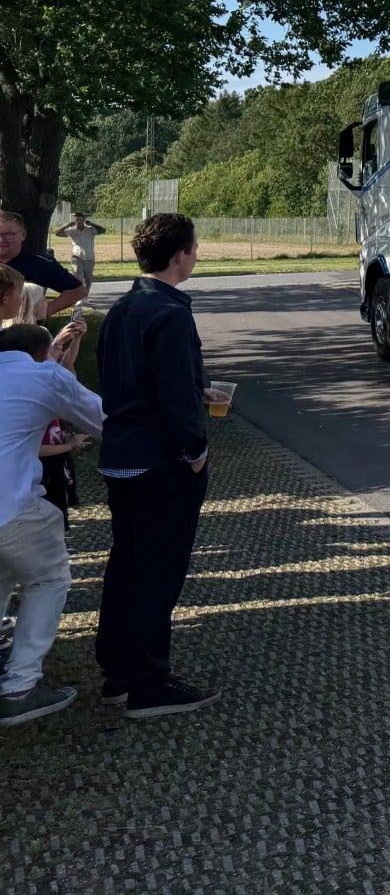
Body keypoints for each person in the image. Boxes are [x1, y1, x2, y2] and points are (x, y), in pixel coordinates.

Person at [94, 213, 222, 717]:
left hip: (122, 455)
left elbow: (128, 378)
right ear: (179, 256)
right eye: (193, 249)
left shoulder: (124, 308)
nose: (195, 256)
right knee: (158, 572)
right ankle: (149, 680)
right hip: (161, 461)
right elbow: (171, 398)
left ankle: (118, 671)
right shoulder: (170, 314)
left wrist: (195, 388)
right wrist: (195, 452)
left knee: (125, 564)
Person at [0, 323, 106, 726]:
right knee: (49, 577)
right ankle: (20, 686)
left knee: (3, 572)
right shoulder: (43, 373)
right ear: (43, 352)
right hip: (10, 504)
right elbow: (101, 419)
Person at [0, 210, 83, 320]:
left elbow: (77, 290)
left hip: (23, 331)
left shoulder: (39, 263)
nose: (1, 239)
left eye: (8, 234)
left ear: (23, 235)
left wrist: (45, 311)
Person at [54, 212, 105, 293]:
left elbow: (103, 230)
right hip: (77, 256)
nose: (79, 222)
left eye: (80, 220)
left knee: (88, 278)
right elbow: (57, 233)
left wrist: (92, 224)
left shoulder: (90, 230)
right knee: (77, 278)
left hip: (89, 257)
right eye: (77, 220)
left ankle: (86, 293)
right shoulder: (72, 230)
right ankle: (79, 295)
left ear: (84, 220)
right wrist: (67, 225)